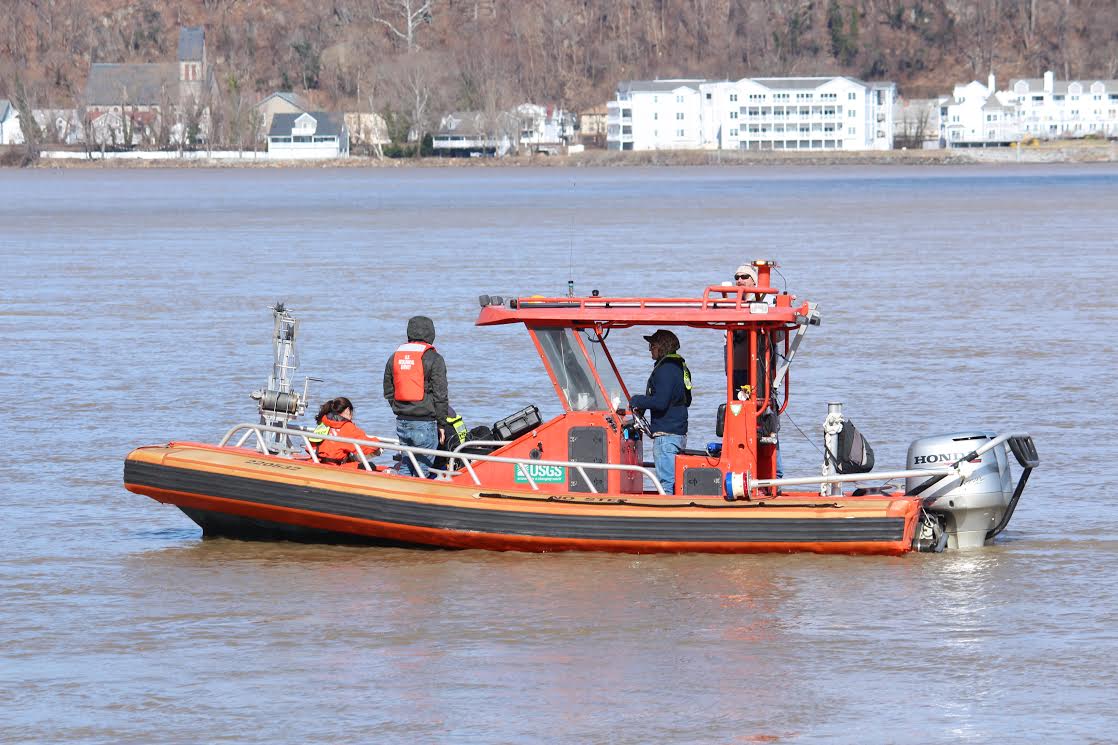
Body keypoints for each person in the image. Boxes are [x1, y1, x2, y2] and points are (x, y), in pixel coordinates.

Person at [383, 315, 449, 477]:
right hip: (425, 423)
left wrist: (399, 409)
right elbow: (440, 394)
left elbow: (388, 389)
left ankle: (400, 495)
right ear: (431, 333)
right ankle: (416, 499)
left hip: (402, 422)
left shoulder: (395, 357)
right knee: (423, 469)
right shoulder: (434, 358)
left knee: (406, 463)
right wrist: (442, 424)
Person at [629, 329, 691, 494]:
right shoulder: (680, 367)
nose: (650, 349)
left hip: (666, 436)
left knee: (666, 484)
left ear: (662, 347)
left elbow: (661, 402)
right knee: (674, 481)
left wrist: (637, 400)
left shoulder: (664, 370)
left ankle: (669, 514)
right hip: (679, 433)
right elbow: (687, 400)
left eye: (652, 345)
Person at [310, 397, 380, 469]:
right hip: (336, 467)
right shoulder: (347, 427)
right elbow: (368, 447)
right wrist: (378, 443)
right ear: (347, 410)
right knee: (371, 466)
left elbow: (310, 446)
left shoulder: (323, 423)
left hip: (318, 462)